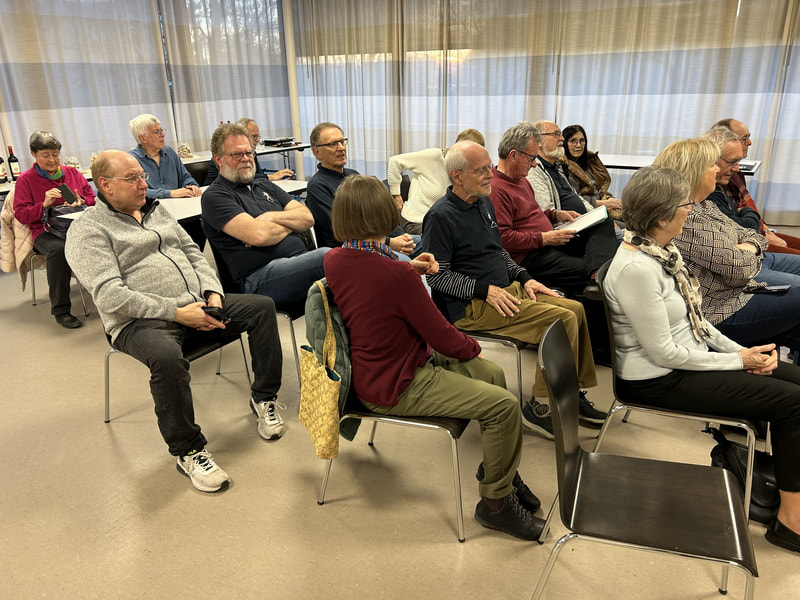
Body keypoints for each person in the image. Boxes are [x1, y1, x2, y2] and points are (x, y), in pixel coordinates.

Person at [325, 173, 546, 541]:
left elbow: (370, 275)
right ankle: (495, 504)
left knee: (493, 375)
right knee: (504, 406)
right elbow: (443, 337)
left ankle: (500, 471)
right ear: (385, 215)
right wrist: (473, 346)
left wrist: (409, 267)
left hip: (375, 369)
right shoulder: (396, 274)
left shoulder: (335, 259)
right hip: (397, 382)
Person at [603, 166, 800, 556]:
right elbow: (664, 354)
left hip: (685, 361)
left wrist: (740, 353)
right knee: (793, 403)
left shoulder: (662, 251)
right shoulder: (637, 268)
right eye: (685, 205)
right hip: (657, 379)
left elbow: (699, 321)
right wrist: (739, 361)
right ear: (662, 218)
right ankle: (790, 521)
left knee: (793, 379)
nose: (691, 210)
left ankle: (781, 484)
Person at [65, 150, 286, 493]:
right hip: (138, 321)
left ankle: (264, 397)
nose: (144, 185)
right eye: (133, 179)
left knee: (261, 308)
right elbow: (110, 296)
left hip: (197, 303)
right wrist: (178, 313)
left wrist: (213, 294)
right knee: (167, 358)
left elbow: (193, 253)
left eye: (143, 176)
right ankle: (189, 450)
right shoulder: (87, 230)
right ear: (105, 185)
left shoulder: (156, 210)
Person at [422, 140, 601, 437]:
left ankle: (571, 391)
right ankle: (540, 406)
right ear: (457, 176)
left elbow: (499, 253)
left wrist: (525, 277)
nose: (490, 175)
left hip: (504, 292)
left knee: (576, 308)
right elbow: (437, 277)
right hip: (471, 307)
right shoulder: (441, 216)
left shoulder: (483, 203)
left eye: (489, 167)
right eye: (481, 170)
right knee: (561, 319)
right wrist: (484, 290)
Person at [652, 138, 800, 350]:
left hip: (737, 291)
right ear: (695, 171)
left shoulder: (704, 205)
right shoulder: (686, 217)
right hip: (719, 310)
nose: (717, 169)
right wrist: (746, 248)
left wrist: (747, 246)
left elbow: (752, 234)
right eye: (712, 164)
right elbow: (741, 268)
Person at [201, 123, 329, 306]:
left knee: (346, 265)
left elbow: (307, 218)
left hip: (298, 262)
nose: (246, 159)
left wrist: (269, 217)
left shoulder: (264, 185)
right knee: (328, 258)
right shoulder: (215, 196)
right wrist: (291, 225)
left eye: (249, 153)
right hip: (259, 279)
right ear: (219, 160)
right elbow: (259, 235)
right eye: (237, 154)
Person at [489, 122, 617, 301]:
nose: (534, 165)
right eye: (531, 158)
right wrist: (545, 238)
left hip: (549, 241)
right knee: (597, 267)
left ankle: (594, 276)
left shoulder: (521, 180)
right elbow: (504, 239)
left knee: (604, 222)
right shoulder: (496, 189)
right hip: (530, 256)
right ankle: (595, 279)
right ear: (513, 155)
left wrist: (554, 214)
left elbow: (530, 214)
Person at [13, 131, 96, 328]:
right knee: (58, 249)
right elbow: (21, 214)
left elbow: (92, 199)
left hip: (75, 225)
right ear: (33, 154)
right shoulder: (26, 180)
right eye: (45, 155)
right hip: (45, 230)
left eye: (55, 154)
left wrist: (82, 201)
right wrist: (43, 205)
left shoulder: (72, 173)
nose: (52, 160)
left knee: (107, 237)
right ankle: (61, 311)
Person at [305, 121, 419, 255]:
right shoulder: (317, 187)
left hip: (379, 243)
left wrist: (403, 236)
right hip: (351, 252)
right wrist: (389, 242)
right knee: (425, 249)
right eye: (333, 144)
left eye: (342, 142)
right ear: (317, 152)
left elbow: (379, 213)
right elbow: (341, 229)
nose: (341, 148)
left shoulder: (353, 175)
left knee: (426, 242)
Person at [712, 118, 800, 255]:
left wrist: (766, 229)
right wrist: (754, 221)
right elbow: (738, 225)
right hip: (749, 241)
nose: (749, 142)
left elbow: (745, 211)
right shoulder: (718, 181)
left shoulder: (735, 173)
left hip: (758, 231)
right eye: (744, 138)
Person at [386, 128, 485, 235]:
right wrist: (396, 195)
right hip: (416, 221)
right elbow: (394, 162)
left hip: (440, 223)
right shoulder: (433, 156)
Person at [128, 113, 205, 248]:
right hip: (153, 214)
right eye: (156, 132)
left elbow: (185, 176)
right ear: (142, 138)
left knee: (200, 228)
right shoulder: (131, 160)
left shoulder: (169, 151)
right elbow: (136, 191)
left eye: (161, 130)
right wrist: (170, 193)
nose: (162, 135)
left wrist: (191, 185)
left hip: (181, 210)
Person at [202, 117, 294, 186]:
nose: (257, 140)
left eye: (258, 136)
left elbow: (256, 175)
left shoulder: (251, 152)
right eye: (254, 136)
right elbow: (243, 177)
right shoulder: (225, 156)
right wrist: (271, 177)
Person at [526, 120, 590, 214]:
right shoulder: (533, 169)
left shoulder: (558, 167)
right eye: (556, 134)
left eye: (560, 134)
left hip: (584, 219)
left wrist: (594, 214)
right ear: (538, 141)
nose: (562, 139)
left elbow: (576, 197)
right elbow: (546, 211)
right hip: (568, 222)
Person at [561, 124, 623, 221]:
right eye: (573, 141)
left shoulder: (587, 161)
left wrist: (609, 198)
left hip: (601, 207)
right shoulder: (563, 167)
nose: (578, 145)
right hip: (587, 213)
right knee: (628, 227)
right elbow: (575, 198)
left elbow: (597, 189)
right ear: (565, 143)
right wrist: (604, 204)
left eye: (582, 141)